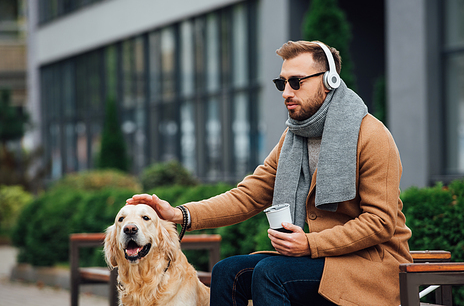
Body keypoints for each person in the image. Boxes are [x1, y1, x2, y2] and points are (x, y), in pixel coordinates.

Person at [127, 40, 413, 306]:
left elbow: (380, 222)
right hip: (319, 261)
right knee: (227, 272)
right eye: (282, 82)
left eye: (296, 82)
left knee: (270, 272)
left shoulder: (371, 136)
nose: (286, 92)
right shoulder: (292, 138)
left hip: (367, 265)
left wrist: (310, 243)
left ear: (329, 82)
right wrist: (179, 214)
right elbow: (248, 196)